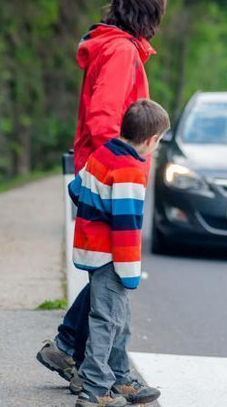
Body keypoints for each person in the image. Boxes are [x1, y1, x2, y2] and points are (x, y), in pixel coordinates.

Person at [35, 0, 166, 399]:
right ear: (150, 13)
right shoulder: (121, 52)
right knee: (111, 277)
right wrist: (122, 164)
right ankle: (104, 375)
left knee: (104, 277)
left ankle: (69, 350)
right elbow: (104, 119)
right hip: (110, 176)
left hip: (99, 171)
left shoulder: (112, 46)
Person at [69, 99, 170, 407]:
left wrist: (98, 206)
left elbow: (76, 188)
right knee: (107, 320)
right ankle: (96, 387)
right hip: (112, 256)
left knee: (118, 318)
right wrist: (130, 273)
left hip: (91, 247)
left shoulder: (104, 153)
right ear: (151, 140)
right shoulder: (130, 170)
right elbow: (126, 227)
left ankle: (121, 378)